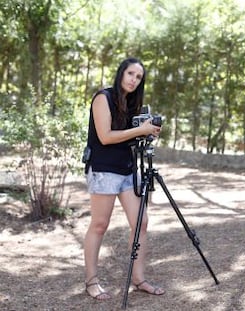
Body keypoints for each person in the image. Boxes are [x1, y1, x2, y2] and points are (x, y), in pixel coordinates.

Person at [83, 57, 165, 299]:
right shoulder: (103, 98)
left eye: (138, 77)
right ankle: (91, 281)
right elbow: (106, 137)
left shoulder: (132, 104)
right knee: (100, 225)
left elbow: (129, 138)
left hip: (127, 170)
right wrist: (140, 130)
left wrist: (147, 134)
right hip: (103, 169)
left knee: (141, 222)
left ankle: (139, 279)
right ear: (121, 73)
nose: (133, 80)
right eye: (130, 73)